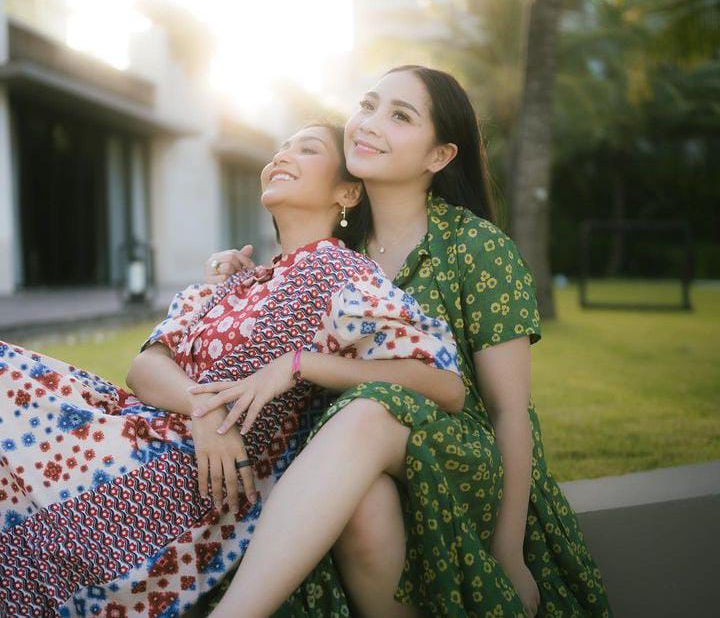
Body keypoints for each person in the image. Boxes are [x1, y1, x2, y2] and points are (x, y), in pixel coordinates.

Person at [0, 123, 465, 617]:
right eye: (280, 147)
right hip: (146, 426)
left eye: (306, 149)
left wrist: (301, 364)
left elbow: (443, 382)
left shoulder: (343, 276)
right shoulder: (237, 279)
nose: (281, 156)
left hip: (192, 477)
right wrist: (204, 407)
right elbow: (145, 366)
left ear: (347, 193)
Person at [201, 66, 613, 618]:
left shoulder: (474, 246)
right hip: (349, 454)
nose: (369, 124)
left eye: (399, 116)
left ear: (439, 156)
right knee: (365, 501)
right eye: (368, 105)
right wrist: (236, 280)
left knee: (371, 408)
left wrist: (509, 551)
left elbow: (509, 410)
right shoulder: (336, 248)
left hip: (461, 457)